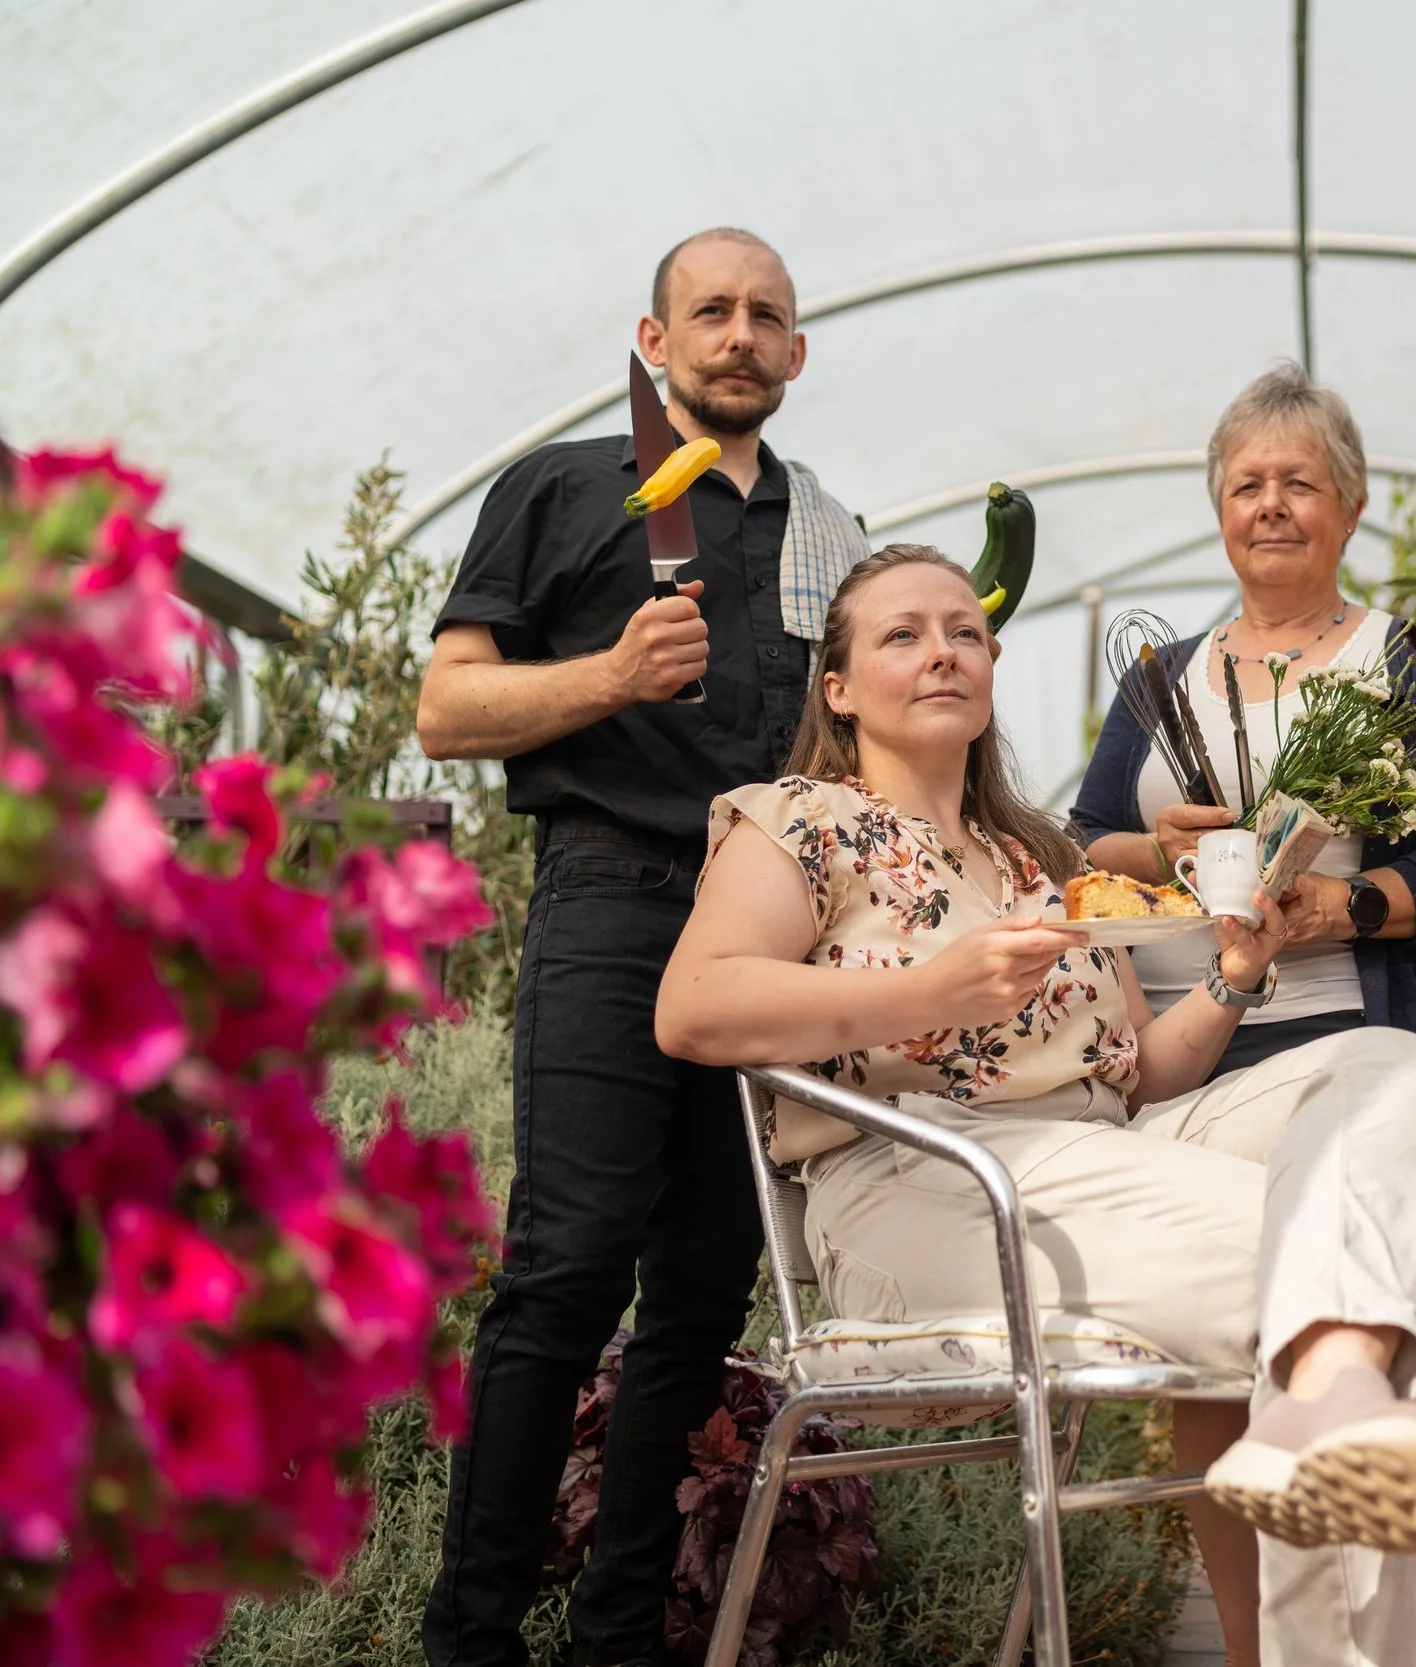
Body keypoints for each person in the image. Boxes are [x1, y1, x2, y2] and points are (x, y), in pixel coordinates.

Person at [656, 544, 1416, 1667]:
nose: (944, 649)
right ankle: (1334, 1393)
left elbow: (1144, 1070)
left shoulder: (1040, 855)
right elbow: (691, 1007)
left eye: (965, 631)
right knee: (1332, 1278)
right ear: (836, 688)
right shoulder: (797, 819)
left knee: (1385, 1062)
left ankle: (1325, 1397)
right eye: (903, 633)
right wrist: (927, 991)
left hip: (1106, 1147)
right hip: (927, 1185)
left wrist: (1236, 971)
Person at [413, 227, 873, 1667]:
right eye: (712, 311)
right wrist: (610, 675)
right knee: (566, 1264)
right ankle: (471, 1637)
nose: (740, 335)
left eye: (768, 317)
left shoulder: (835, 534)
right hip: (614, 897)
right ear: (654, 339)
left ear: (796, 355)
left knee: (701, 1284)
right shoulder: (564, 487)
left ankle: (621, 1635)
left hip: (767, 929)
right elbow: (445, 707)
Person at [1072, 362, 1416, 1075]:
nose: (1270, 505)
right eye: (1247, 486)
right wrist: (1158, 852)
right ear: (1222, 512)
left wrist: (1343, 905)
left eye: (1300, 484)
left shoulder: (1408, 658)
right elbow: (1081, 843)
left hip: (1333, 1029)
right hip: (1157, 1043)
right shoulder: (1159, 676)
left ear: (1352, 507)